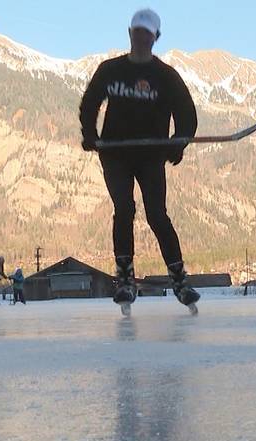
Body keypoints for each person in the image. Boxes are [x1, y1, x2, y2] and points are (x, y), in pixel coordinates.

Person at [79, 8, 200, 310]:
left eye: (147, 34)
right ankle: (125, 279)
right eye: (137, 32)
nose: (141, 38)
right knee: (124, 209)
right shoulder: (110, 70)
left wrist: (178, 143)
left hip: (150, 156)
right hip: (115, 153)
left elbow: (187, 114)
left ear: (156, 37)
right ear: (130, 34)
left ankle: (179, 280)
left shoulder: (165, 76)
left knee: (157, 215)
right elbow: (90, 102)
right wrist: (90, 133)